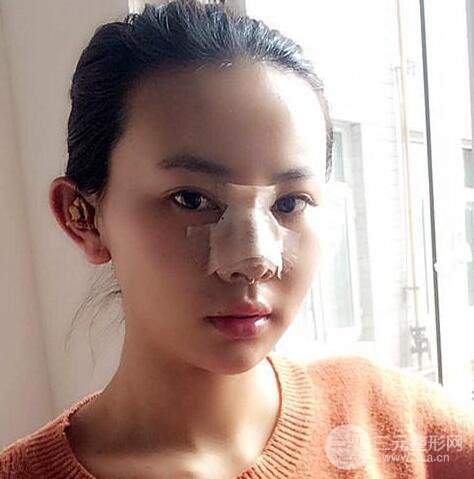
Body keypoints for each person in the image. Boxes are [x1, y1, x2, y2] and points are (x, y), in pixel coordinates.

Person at [1, 1, 473, 477]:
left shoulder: (406, 432)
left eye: (289, 203)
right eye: (191, 199)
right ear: (82, 217)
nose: (253, 260)